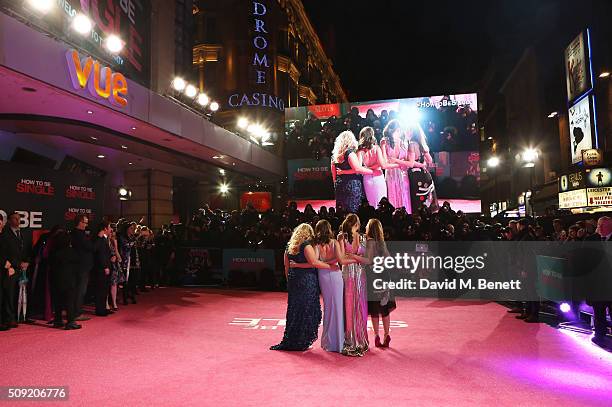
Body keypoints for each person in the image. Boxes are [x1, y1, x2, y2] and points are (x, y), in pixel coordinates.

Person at [270, 223, 330, 351]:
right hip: (307, 281)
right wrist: (330, 266)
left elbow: (286, 266)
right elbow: (313, 263)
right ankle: (302, 340)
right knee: (307, 309)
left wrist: (289, 280)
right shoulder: (306, 245)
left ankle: (293, 339)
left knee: (295, 310)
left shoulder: (289, 246)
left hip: (294, 281)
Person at [291, 220, 347, 353]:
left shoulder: (315, 244)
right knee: (338, 308)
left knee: (328, 306)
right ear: (329, 229)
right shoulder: (334, 242)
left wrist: (325, 263)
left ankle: (329, 342)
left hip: (323, 275)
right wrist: (331, 264)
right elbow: (340, 260)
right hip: (335, 274)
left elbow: (315, 262)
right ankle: (339, 342)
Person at [351, 219, 395, 348]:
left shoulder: (370, 242)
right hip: (384, 276)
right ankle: (387, 334)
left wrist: (354, 257)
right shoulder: (381, 243)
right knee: (385, 309)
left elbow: (368, 260)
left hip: (373, 277)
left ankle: (376, 335)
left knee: (375, 309)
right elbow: (388, 258)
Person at [338, 214, 369, 356]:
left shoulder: (363, 237)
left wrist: (354, 257)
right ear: (356, 223)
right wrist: (358, 259)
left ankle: (360, 339)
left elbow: (368, 259)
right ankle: (350, 339)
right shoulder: (341, 237)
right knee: (349, 305)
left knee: (360, 305)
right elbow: (342, 259)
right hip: (349, 275)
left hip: (359, 275)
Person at [381, 120, 426, 212]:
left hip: (403, 173)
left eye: (399, 130)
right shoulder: (385, 142)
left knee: (405, 196)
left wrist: (421, 165)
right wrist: (398, 163)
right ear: (391, 130)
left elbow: (409, 161)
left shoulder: (403, 142)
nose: (399, 132)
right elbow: (385, 162)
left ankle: (406, 216)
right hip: (391, 174)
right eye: (397, 130)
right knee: (393, 196)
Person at [331, 130, 376, 213]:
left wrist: (341, 176)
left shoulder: (335, 156)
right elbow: (357, 169)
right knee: (353, 210)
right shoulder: (349, 153)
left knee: (342, 210)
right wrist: (372, 171)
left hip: (340, 185)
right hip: (352, 185)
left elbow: (334, 175)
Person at [2, 212, 31, 328]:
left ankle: (20, 316)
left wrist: (27, 262)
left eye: (19, 219)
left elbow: (26, 251)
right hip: (10, 269)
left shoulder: (22, 234)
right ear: (9, 220)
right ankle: (9, 318)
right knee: (9, 294)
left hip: (21, 269)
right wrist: (17, 264)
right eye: (15, 218)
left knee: (19, 294)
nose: (18, 221)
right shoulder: (4, 235)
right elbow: (5, 254)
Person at [357, 126, 398, 208]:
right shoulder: (376, 148)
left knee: (371, 203)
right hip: (378, 176)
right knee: (382, 202)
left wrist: (368, 168)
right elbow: (382, 164)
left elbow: (358, 168)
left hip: (367, 178)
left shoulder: (360, 151)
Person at [49, 230, 81, 330]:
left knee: (57, 301)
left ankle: (58, 320)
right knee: (69, 301)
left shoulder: (53, 252)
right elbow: (77, 265)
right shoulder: (71, 252)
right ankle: (70, 321)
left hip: (55, 279)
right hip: (69, 280)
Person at [407, 124, 439, 213]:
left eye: (408, 130)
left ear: (412, 132)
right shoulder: (422, 144)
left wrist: (421, 165)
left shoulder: (411, 144)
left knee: (418, 203)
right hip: (425, 175)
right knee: (427, 202)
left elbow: (411, 163)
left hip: (416, 176)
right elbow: (430, 160)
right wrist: (423, 164)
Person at [591, 216, 612, 350]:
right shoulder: (594, 240)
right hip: (598, 284)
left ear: (607, 226)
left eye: (600, 225)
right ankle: (599, 335)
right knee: (598, 311)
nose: (598, 228)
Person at [71, 214, 93, 321]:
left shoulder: (80, 234)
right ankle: (76, 313)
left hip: (82, 266)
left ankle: (75, 311)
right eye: (85, 222)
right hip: (80, 267)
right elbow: (89, 247)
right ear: (80, 222)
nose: (86, 224)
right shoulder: (77, 234)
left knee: (80, 290)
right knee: (80, 290)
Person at [93, 221, 112, 317]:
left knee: (105, 289)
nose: (110, 229)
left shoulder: (105, 239)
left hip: (105, 267)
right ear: (105, 229)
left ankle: (103, 308)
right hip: (101, 268)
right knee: (101, 289)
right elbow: (100, 254)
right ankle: (100, 310)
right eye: (109, 227)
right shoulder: (100, 239)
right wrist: (105, 266)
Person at [108, 225, 123, 311]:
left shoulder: (114, 240)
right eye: (111, 230)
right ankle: (107, 303)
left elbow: (116, 251)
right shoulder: (105, 239)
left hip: (114, 264)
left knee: (114, 284)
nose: (112, 232)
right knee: (108, 284)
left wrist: (119, 258)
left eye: (114, 231)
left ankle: (114, 303)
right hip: (108, 263)